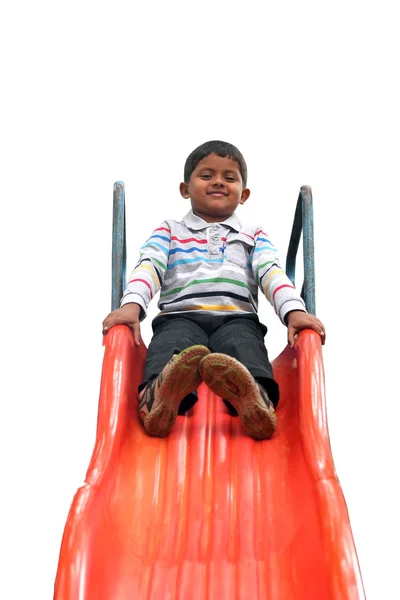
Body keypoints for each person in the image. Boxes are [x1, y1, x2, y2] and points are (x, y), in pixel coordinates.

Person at [103, 140, 325, 440]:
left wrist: (294, 311)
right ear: (185, 189)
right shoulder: (170, 230)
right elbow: (149, 265)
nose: (218, 181)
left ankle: (255, 400)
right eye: (206, 175)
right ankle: (159, 398)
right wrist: (132, 305)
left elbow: (271, 272)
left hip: (237, 319)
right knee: (172, 350)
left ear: (243, 194)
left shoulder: (252, 235)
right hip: (181, 316)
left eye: (229, 177)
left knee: (245, 350)